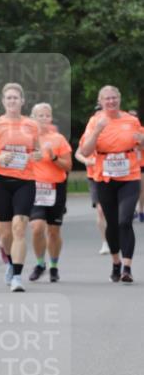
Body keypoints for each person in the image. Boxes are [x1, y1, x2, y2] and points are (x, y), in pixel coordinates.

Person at [79, 86, 143, 283]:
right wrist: (98, 130)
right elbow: (86, 151)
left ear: (119, 99)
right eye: (107, 98)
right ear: (100, 101)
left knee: (125, 221)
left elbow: (141, 145)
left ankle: (127, 268)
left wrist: (142, 141)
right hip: (105, 179)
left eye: (114, 97)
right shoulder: (95, 121)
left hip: (129, 177)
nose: (111, 101)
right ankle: (116, 262)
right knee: (113, 223)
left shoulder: (131, 121)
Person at [0, 82, 42, 292]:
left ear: (22, 101)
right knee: (5, 234)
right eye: (9, 98)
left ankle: (18, 277)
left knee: (19, 227)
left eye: (16, 97)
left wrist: (37, 155)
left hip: (25, 181)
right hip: (1, 181)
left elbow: (37, 150)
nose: (12, 101)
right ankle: (11, 263)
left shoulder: (32, 125)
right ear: (3, 101)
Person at [28, 103, 72, 282]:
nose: (44, 119)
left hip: (55, 188)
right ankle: (40, 264)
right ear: (33, 118)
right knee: (37, 227)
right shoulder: (27, 138)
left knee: (54, 231)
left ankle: (53, 266)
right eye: (40, 115)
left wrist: (53, 157)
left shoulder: (58, 138)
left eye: (47, 115)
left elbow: (68, 166)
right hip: (34, 187)